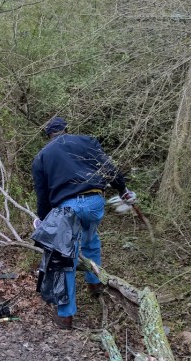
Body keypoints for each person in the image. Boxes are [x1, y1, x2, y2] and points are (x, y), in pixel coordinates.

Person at [31, 117, 136, 329]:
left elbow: (42, 195)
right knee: (90, 238)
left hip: (67, 209)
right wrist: (122, 190)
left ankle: (65, 316)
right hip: (95, 202)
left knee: (64, 257)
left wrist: (42, 219)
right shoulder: (87, 142)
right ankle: (94, 283)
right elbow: (109, 168)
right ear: (66, 129)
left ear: (48, 134)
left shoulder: (41, 157)